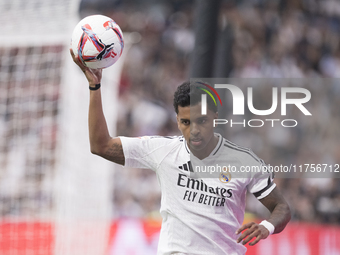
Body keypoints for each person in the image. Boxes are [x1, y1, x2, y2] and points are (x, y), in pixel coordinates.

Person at [70, 50, 291, 255]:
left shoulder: (244, 161)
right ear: (177, 121)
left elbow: (281, 207)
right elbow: (101, 145)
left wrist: (267, 226)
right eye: (185, 122)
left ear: (215, 117)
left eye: (201, 121)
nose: (193, 130)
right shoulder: (163, 150)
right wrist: (95, 87)